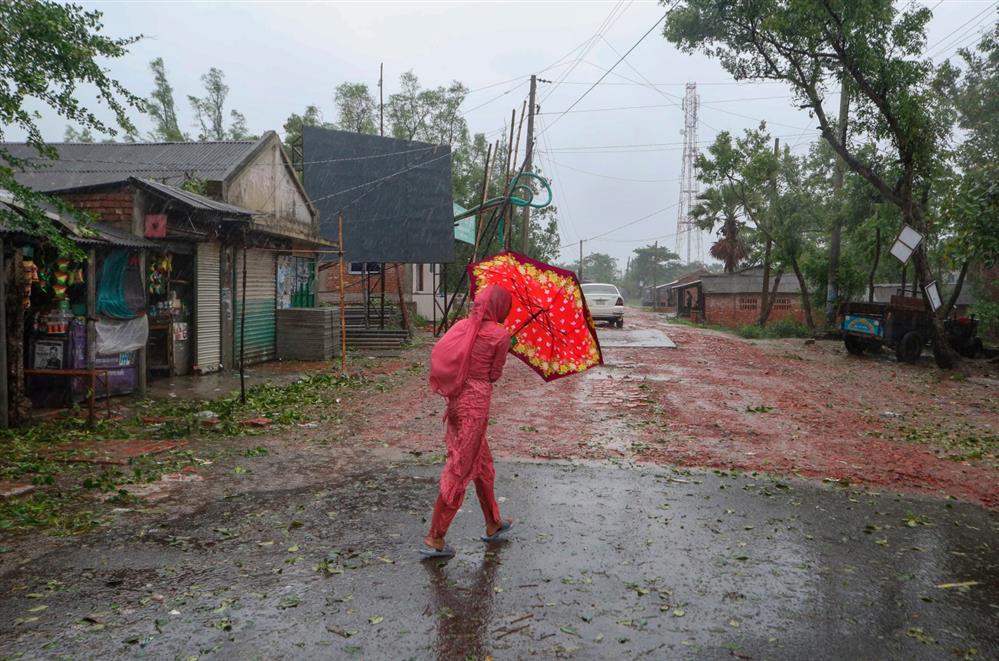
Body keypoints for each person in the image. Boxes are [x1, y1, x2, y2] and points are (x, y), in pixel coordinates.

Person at [422, 285, 514, 558]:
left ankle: (493, 522)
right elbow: (493, 375)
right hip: (475, 408)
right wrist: (504, 345)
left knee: (483, 466)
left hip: (455, 403)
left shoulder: (463, 326)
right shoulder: (500, 335)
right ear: (500, 307)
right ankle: (436, 537)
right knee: (460, 468)